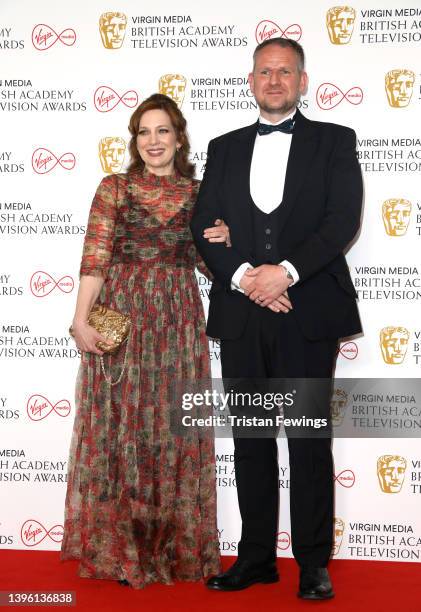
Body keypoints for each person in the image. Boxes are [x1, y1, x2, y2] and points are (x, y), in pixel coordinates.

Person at [191, 38, 363, 599]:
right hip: (244, 313)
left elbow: (341, 222)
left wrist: (283, 272)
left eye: (284, 71)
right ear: (250, 79)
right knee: (251, 438)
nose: (274, 80)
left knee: (309, 439)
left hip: (307, 309)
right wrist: (246, 277)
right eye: (265, 71)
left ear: (302, 81)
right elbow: (204, 227)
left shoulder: (335, 141)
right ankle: (257, 557)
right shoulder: (223, 146)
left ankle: (314, 563)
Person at [61, 93, 229, 588]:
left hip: (178, 322)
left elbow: (207, 265)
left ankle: (173, 547)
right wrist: (79, 320)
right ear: (134, 141)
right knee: (123, 428)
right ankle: (123, 548)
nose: (153, 141)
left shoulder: (201, 195)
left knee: (174, 429)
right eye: (144, 132)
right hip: (126, 321)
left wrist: (224, 239)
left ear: (179, 138)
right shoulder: (114, 188)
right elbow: (95, 259)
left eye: (163, 131)